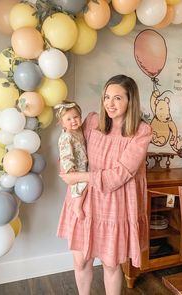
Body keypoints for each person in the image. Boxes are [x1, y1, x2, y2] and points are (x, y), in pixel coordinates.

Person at [57, 75, 153, 295]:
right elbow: (71, 146)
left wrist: (79, 177)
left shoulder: (141, 132)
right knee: (81, 261)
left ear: (131, 101)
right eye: (107, 97)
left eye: (117, 98)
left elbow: (119, 175)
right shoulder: (92, 122)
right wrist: (71, 175)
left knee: (111, 265)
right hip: (85, 200)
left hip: (115, 206)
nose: (109, 103)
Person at [55, 101, 88, 220]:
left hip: (83, 163)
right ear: (62, 123)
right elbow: (65, 154)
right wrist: (70, 168)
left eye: (76, 117)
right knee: (82, 185)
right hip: (75, 166)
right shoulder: (66, 136)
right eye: (68, 119)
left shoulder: (78, 131)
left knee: (85, 184)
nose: (73, 121)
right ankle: (77, 206)